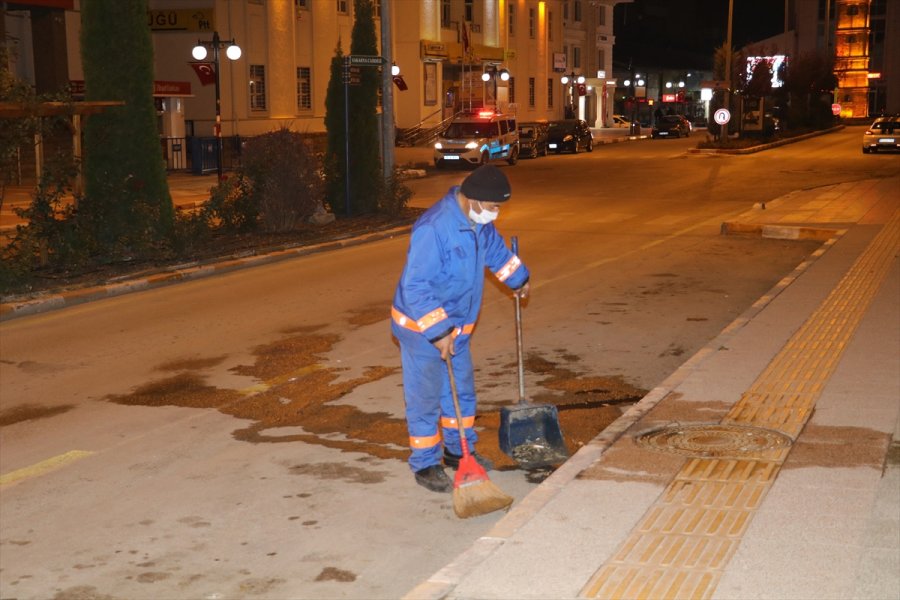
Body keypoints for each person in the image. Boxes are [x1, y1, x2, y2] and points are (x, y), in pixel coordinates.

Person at [390, 164, 530, 493]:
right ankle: (425, 463)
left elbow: (496, 252)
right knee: (425, 398)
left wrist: (519, 279)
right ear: (473, 200)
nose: (495, 215)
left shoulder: (477, 223)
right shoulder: (434, 227)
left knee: (461, 393)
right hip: (422, 329)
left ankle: (459, 451)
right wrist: (438, 333)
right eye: (493, 207)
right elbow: (417, 286)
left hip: (459, 329)